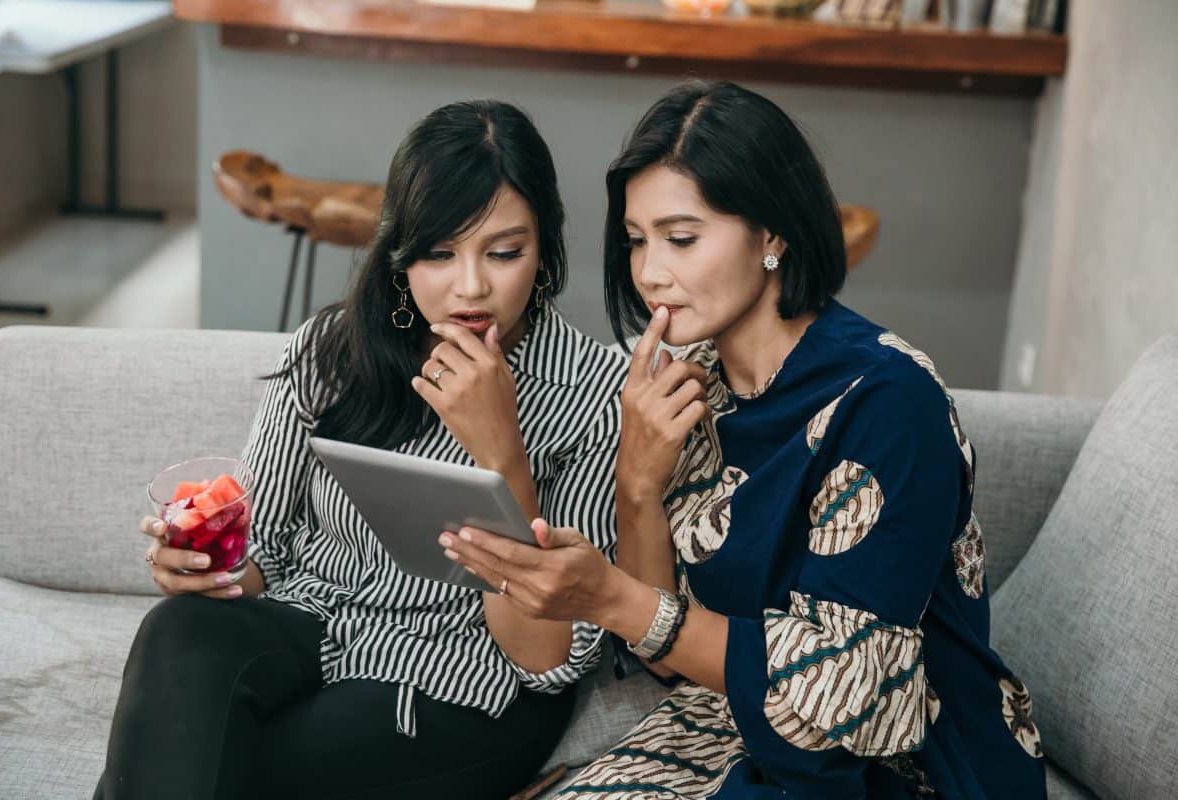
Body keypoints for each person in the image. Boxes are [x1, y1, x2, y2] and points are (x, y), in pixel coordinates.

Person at [442, 81, 1046, 799]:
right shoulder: (688, 381)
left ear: (773, 233)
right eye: (636, 241)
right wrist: (636, 481)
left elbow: (835, 711)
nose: (649, 273)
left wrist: (609, 597)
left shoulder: (889, 400)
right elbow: (664, 658)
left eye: (682, 238)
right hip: (730, 723)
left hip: (894, 762)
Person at [95, 99, 627, 800]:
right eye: (439, 253)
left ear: (545, 250)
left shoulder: (594, 394)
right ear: (401, 253)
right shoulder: (334, 350)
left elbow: (542, 659)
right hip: (313, 628)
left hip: (459, 681)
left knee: (201, 759)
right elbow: (268, 557)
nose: (471, 287)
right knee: (178, 631)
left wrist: (504, 453)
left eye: (504, 252)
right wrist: (204, 568)